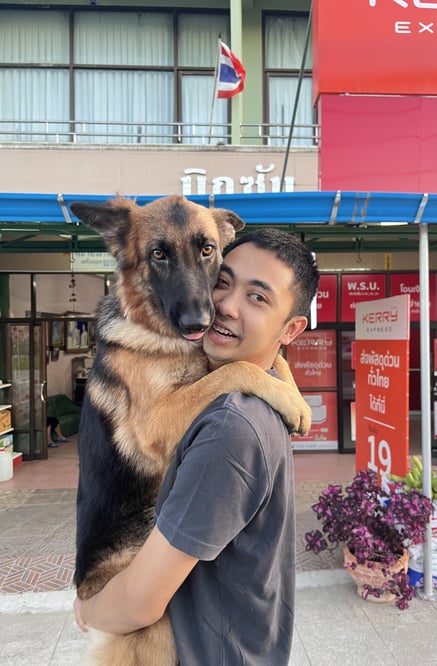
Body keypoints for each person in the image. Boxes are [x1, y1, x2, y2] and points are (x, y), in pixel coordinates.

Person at [73, 228, 319, 664]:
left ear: (292, 329)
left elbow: (139, 605)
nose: (224, 305)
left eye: (257, 297)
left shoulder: (229, 426)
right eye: (222, 282)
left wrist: (87, 609)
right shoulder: (258, 395)